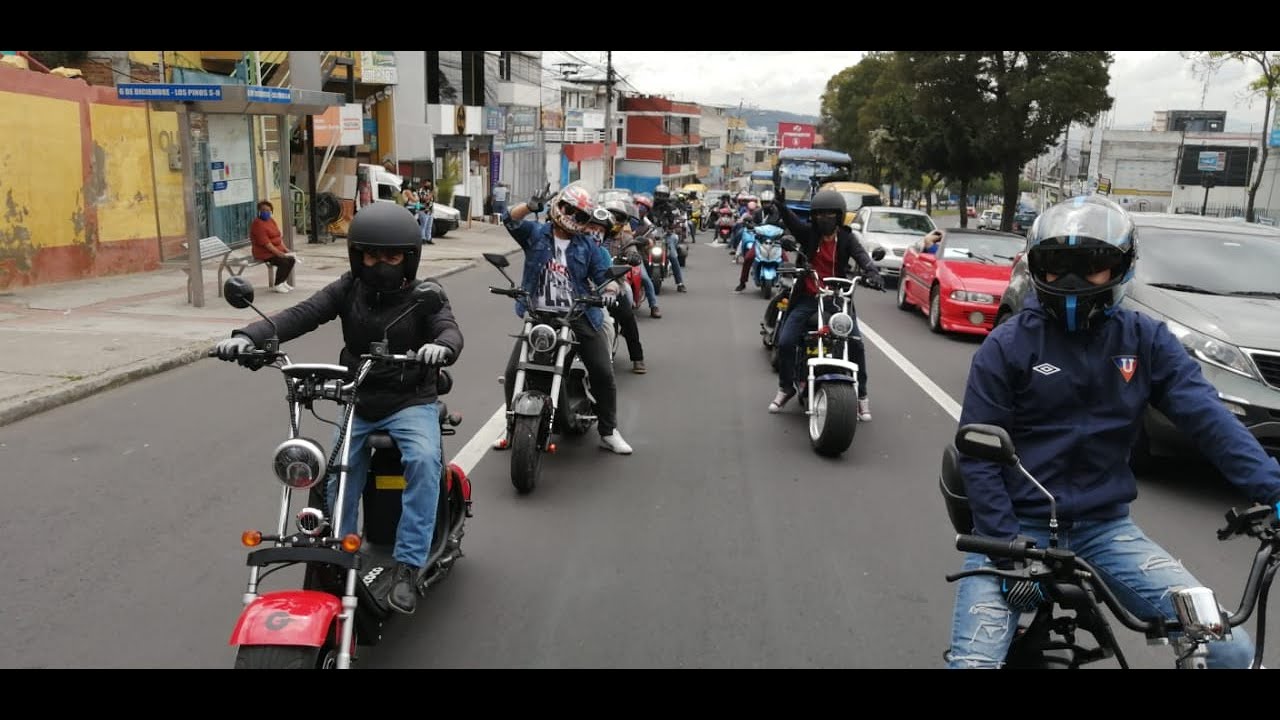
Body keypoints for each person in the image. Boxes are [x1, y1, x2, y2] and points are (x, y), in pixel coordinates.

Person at [945, 195, 1280, 669]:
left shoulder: (1146, 341)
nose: (1073, 282)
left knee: (1232, 650)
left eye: (1092, 267)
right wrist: (1006, 549)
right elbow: (978, 455)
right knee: (972, 666)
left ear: (1122, 268)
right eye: (1057, 267)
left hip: (1105, 531)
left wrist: (1274, 487)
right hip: (1014, 530)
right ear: (1037, 269)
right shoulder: (1006, 347)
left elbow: (1209, 419)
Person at [212, 202, 464, 616]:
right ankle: (339, 552)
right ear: (357, 255)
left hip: (409, 402)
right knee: (336, 472)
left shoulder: (427, 295)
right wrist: (247, 335)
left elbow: (448, 329)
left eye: (392, 256)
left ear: (409, 258)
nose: (380, 264)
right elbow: (301, 314)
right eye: (371, 255)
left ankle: (408, 564)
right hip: (358, 399)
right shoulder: (348, 289)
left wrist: (441, 347)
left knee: (421, 459)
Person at [492, 183, 633, 455]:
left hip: (577, 314)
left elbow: (604, 275)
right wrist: (529, 207)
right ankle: (512, 430)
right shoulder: (535, 234)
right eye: (568, 208)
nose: (571, 216)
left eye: (580, 215)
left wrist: (611, 289)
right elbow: (509, 219)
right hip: (538, 314)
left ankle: (608, 431)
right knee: (512, 373)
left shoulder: (587, 246)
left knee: (602, 372)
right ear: (558, 204)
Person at [771, 184, 884, 420]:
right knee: (786, 341)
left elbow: (862, 257)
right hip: (808, 298)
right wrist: (782, 206)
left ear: (839, 216)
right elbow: (793, 224)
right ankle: (786, 387)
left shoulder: (847, 238)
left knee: (856, 345)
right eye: (820, 214)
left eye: (830, 214)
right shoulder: (809, 234)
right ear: (814, 217)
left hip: (837, 301)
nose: (824, 218)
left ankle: (862, 395)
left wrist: (872, 272)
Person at [589, 202, 648, 374]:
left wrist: (632, 257)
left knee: (627, 317)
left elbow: (633, 252)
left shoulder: (626, 238)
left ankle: (637, 358)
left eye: (619, 218)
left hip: (616, 283)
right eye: (611, 216)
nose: (614, 221)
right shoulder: (589, 236)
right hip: (587, 285)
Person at [250, 200, 295, 293]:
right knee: (283, 262)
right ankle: (278, 284)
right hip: (264, 252)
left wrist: (285, 249)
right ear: (259, 211)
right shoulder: (257, 224)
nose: (266, 212)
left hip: (275, 250)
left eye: (268, 211)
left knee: (291, 259)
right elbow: (267, 244)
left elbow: (278, 237)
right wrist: (279, 253)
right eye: (263, 210)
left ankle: (283, 282)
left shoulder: (271, 221)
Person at [649, 184, 687, 293]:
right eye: (659, 195)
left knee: (673, 256)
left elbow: (674, 221)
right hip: (651, 234)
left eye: (663, 195)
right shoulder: (650, 207)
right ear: (655, 195)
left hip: (666, 235)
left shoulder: (670, 208)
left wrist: (672, 227)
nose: (661, 197)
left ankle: (680, 283)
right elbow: (644, 219)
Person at [630, 194, 663, 318]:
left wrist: (646, 242)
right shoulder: (623, 220)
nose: (639, 208)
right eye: (637, 205)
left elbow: (651, 241)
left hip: (635, 255)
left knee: (644, 278)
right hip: (618, 253)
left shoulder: (647, 226)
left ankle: (654, 306)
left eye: (643, 207)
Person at [417, 181, 435, 245]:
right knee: (423, 225)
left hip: (430, 211)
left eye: (430, 183)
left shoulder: (429, 191)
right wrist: (431, 194)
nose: (429, 185)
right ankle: (423, 239)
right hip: (424, 211)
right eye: (427, 183)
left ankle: (428, 239)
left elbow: (431, 201)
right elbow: (424, 199)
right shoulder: (421, 190)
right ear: (424, 184)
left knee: (429, 226)